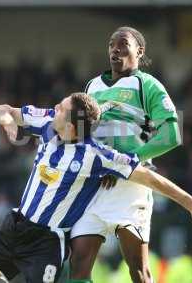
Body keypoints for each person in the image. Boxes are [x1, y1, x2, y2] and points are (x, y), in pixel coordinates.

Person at [0, 92, 192, 283]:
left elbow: (148, 177)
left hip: (46, 243)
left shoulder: (95, 155)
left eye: (62, 108)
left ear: (72, 126)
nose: (55, 106)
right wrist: (6, 119)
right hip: (13, 228)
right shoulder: (46, 122)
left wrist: (191, 203)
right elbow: (2, 109)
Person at [69, 26, 183, 283]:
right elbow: (82, 132)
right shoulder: (92, 85)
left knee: (138, 271)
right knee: (78, 265)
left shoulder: (147, 85)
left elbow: (172, 134)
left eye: (123, 44)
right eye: (111, 44)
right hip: (96, 183)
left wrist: (124, 161)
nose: (115, 49)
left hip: (131, 184)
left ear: (139, 51)